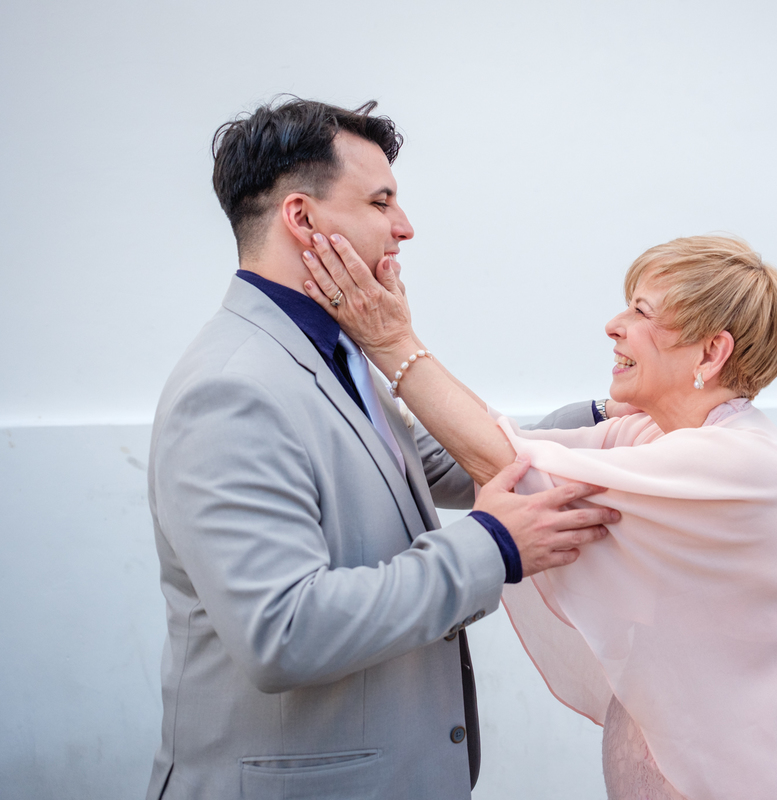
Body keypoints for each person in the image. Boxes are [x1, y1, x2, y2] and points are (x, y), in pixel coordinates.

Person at [145, 97, 623, 800]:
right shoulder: (231, 388)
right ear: (302, 218)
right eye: (380, 202)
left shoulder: (335, 349)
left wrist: (609, 420)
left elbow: (439, 461)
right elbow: (282, 631)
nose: (405, 226)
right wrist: (493, 545)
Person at [302, 233, 777, 799]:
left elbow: (508, 463)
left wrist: (391, 340)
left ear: (711, 353)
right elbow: (506, 441)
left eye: (642, 312)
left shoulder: (744, 464)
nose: (613, 326)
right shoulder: (650, 434)